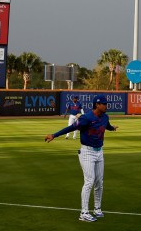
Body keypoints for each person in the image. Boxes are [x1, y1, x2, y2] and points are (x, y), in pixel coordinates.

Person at [45, 94, 118, 222]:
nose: (107, 106)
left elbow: (107, 125)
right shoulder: (86, 118)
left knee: (99, 182)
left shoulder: (105, 117)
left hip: (99, 152)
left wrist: (112, 129)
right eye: (104, 104)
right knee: (89, 181)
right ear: (97, 105)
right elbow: (72, 127)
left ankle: (97, 208)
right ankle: (84, 213)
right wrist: (54, 135)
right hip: (87, 153)